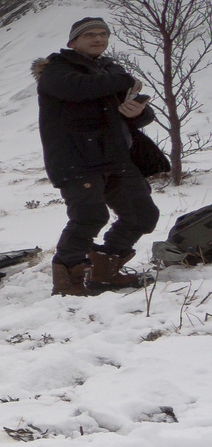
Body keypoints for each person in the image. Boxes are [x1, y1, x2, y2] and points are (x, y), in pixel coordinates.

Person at [35, 17, 161, 295]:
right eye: (90, 34)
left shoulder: (108, 70)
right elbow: (80, 89)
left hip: (116, 157)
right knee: (89, 217)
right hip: (77, 159)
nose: (98, 39)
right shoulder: (57, 70)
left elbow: (126, 112)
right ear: (73, 41)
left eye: (103, 34)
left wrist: (140, 112)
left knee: (142, 214)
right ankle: (68, 282)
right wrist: (125, 80)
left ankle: (105, 271)